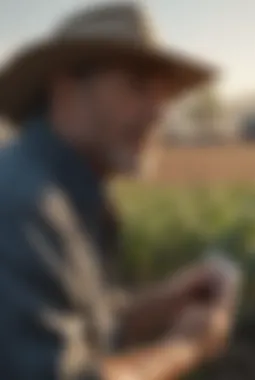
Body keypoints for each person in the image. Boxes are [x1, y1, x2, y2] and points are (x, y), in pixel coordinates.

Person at [0, 2, 241, 380]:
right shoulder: (22, 206)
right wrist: (185, 347)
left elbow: (76, 324)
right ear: (65, 91)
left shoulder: (59, 193)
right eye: (137, 85)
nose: (159, 111)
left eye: (163, 94)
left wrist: (162, 303)